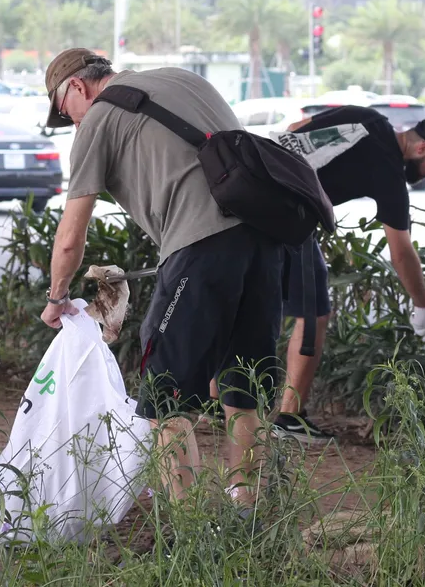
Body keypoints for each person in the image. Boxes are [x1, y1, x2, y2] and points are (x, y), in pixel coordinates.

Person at [39, 48, 285, 508]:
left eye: (62, 110)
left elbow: (71, 235)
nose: (70, 122)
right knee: (243, 381)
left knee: (163, 394)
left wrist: (57, 297)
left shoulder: (99, 117)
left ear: (76, 86)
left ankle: (189, 529)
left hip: (201, 248)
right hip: (266, 240)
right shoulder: (182, 78)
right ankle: (246, 510)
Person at [259, 106, 425, 443]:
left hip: (255, 189)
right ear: (423, 148)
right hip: (285, 214)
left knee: (250, 298)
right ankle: (288, 418)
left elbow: (297, 126)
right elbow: (401, 252)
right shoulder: (388, 172)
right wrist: (423, 307)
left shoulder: (369, 118)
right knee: (313, 312)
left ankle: (215, 399)